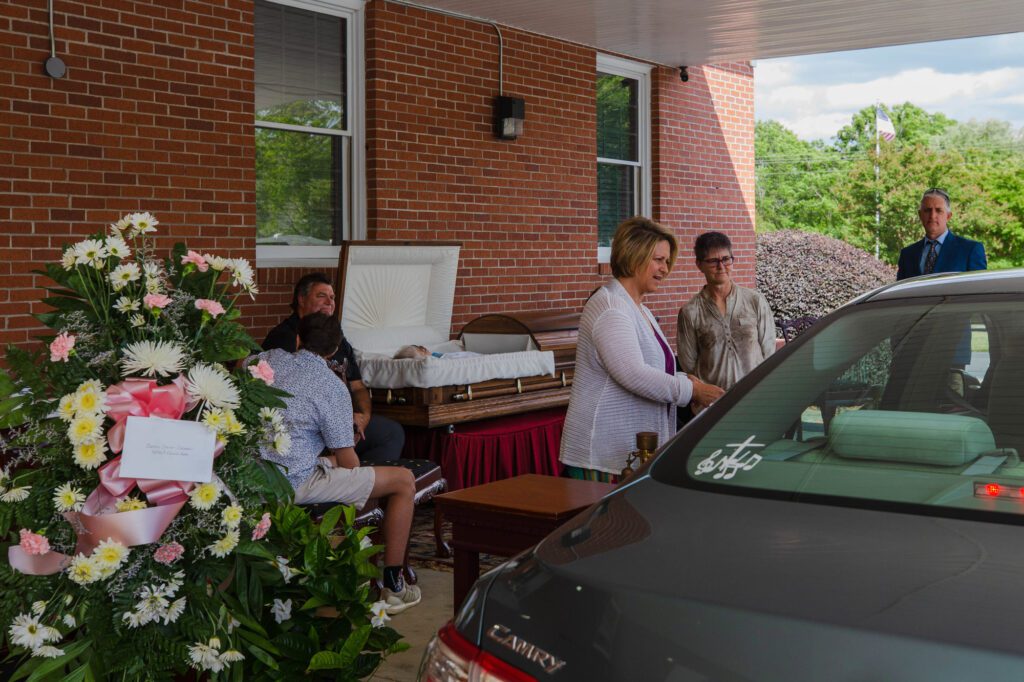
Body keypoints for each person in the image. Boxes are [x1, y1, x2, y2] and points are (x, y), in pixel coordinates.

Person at [257, 313, 421, 614]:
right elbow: (349, 463)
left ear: (298, 339)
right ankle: (394, 587)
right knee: (403, 481)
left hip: (253, 472)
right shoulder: (331, 387)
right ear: (335, 350)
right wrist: (349, 434)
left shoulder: (267, 359)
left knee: (327, 462)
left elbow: (241, 367)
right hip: (292, 483)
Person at [559, 217, 724, 482]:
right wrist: (692, 391)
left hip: (627, 453)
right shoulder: (611, 307)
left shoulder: (638, 309)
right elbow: (634, 374)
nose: (665, 269)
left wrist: (687, 380)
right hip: (602, 455)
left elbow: (653, 369)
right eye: (658, 260)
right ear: (634, 256)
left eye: (667, 261)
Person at [262, 273, 405, 464]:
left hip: (345, 421)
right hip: (309, 428)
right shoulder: (284, 338)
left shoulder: (336, 335)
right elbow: (293, 399)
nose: (329, 302)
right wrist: (339, 422)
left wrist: (362, 417)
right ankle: (337, 470)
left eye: (332, 297)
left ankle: (358, 477)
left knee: (391, 433)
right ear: (301, 299)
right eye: (321, 296)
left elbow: (358, 386)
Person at [677, 231, 775, 397]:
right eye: (713, 261)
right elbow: (689, 365)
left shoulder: (755, 301)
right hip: (713, 405)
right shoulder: (690, 312)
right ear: (699, 264)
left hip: (755, 397)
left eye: (726, 259)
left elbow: (769, 352)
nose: (721, 266)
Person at [896, 188, 987, 280]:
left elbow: (979, 287)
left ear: (948, 216)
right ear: (920, 215)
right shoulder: (907, 254)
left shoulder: (970, 250)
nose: (932, 216)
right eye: (927, 210)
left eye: (938, 210)